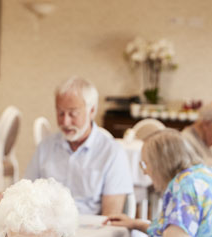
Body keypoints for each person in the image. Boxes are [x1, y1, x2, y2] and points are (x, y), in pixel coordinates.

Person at [25, 76, 133, 215]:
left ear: (92, 111)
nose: (65, 122)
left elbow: (111, 217)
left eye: (73, 114)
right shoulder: (45, 147)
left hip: (90, 225)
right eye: (60, 113)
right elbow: (26, 192)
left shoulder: (112, 152)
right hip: (47, 225)